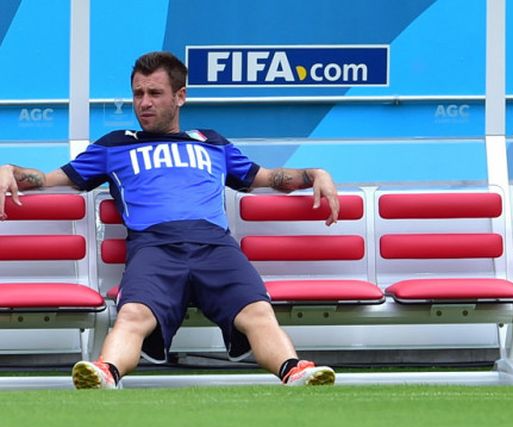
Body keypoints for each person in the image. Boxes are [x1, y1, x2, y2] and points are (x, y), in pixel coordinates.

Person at [0, 51, 338, 389]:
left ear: (180, 96)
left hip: (215, 246)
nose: (144, 103)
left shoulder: (212, 143)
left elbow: (266, 177)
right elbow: (47, 179)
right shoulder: (115, 145)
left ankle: (294, 371)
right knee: (133, 315)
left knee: (257, 312)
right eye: (138, 94)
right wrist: (9, 170)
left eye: (155, 93)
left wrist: (314, 173)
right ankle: (106, 372)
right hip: (154, 246)